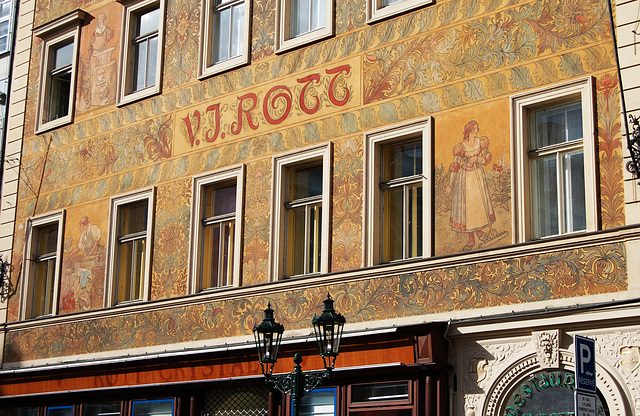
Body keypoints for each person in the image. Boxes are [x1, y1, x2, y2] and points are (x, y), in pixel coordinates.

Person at [445, 120, 496, 251]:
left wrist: (477, 159)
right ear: (469, 131)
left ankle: (479, 233)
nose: (477, 130)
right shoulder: (461, 147)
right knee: (467, 210)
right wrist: (450, 185)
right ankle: (472, 238)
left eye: (477, 128)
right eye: (475, 128)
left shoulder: (481, 142)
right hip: (464, 179)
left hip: (477, 176)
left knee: (477, 207)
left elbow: (486, 159)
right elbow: (455, 167)